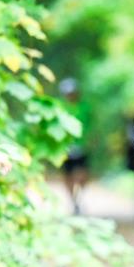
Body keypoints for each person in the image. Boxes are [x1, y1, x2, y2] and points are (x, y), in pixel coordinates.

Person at [58, 78, 89, 214]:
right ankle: (73, 201)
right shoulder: (60, 108)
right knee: (68, 176)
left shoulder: (84, 107)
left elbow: (90, 125)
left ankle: (78, 197)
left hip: (81, 147)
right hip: (65, 148)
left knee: (83, 175)